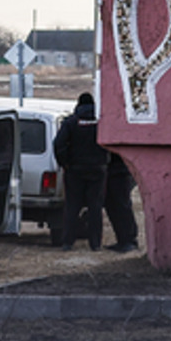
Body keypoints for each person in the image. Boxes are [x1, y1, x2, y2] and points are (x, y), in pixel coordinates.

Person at [53, 92, 108, 252]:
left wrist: (65, 163)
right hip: (98, 170)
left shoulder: (71, 122)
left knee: (72, 207)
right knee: (95, 207)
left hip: (75, 170)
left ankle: (68, 242)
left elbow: (59, 144)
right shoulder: (101, 122)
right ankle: (95, 244)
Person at [103, 153, 139, 253]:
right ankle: (123, 239)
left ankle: (129, 240)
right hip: (114, 170)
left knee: (122, 205)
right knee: (113, 206)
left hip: (120, 171)